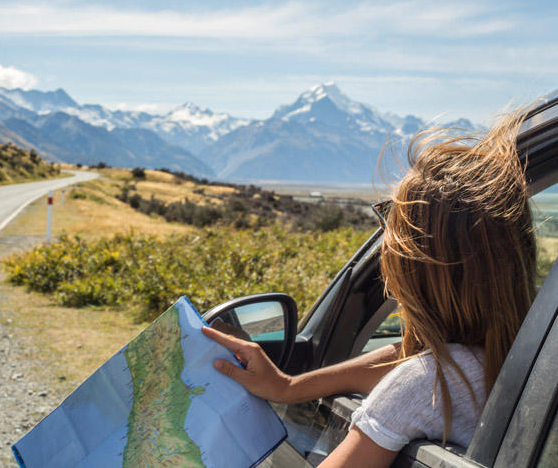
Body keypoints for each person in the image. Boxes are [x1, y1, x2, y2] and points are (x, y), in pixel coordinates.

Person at [203, 109, 537, 468]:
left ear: (413, 266)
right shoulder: (524, 356)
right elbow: (407, 359)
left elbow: (419, 374)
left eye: (389, 225)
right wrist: (287, 388)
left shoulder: (425, 386)